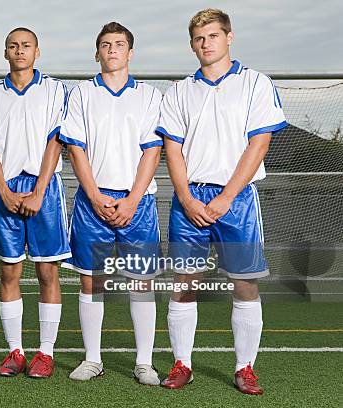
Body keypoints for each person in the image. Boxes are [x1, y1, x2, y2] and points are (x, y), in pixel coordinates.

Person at [156, 8, 287, 395]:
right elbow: (172, 147)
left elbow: (259, 142)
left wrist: (228, 196)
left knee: (244, 283)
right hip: (190, 198)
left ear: (229, 37)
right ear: (191, 44)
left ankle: (245, 367)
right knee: (184, 282)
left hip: (238, 199)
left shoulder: (255, 84)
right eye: (198, 38)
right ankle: (182, 363)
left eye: (213, 35)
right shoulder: (180, 90)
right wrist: (185, 197)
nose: (205, 43)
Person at [59, 22, 163, 384]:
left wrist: (133, 200)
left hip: (138, 203)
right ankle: (92, 359)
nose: (112, 50)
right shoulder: (82, 93)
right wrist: (94, 195)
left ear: (130, 52)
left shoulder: (150, 95)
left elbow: (154, 149)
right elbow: (76, 148)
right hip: (93, 201)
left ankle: (144, 362)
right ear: (97, 52)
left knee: (141, 283)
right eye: (106, 44)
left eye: (119, 44)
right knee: (92, 282)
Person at [0, 27, 70, 378]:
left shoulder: (56, 89)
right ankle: (15, 351)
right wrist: (4, 191)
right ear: (5, 53)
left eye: (26, 45)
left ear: (37, 51)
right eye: (13, 46)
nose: (20, 51)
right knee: (9, 270)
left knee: (47, 271)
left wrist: (40, 190)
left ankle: (45, 353)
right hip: (7, 190)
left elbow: (57, 141)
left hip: (45, 188)